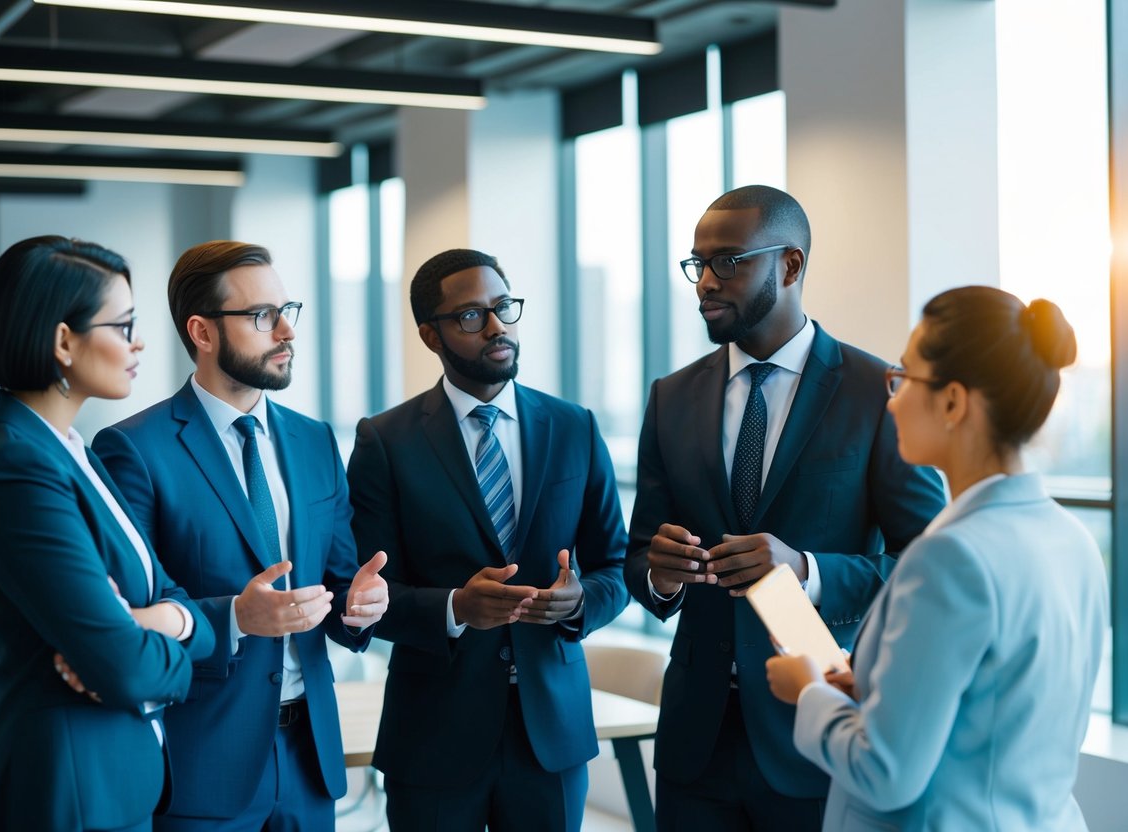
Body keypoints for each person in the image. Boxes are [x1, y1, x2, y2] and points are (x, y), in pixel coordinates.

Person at [625, 185, 948, 830]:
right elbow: (639, 555)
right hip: (697, 738)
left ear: (791, 266)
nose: (705, 284)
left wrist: (806, 569)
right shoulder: (672, 397)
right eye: (697, 264)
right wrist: (659, 576)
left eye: (728, 262)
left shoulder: (876, 391)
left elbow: (928, 567)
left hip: (822, 725)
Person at [766, 286, 1107, 831]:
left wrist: (808, 688)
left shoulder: (951, 557)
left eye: (903, 378)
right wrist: (875, 682)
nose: (891, 399)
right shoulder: (1074, 540)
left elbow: (883, 771)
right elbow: (1006, 703)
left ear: (952, 401)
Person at [92, 241, 388, 832]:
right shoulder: (133, 449)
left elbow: (334, 584)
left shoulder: (315, 441)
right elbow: (126, 614)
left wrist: (358, 610)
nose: (286, 331)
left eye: (288, 310)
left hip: (310, 757)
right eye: (261, 316)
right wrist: (233, 615)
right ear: (201, 331)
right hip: (202, 758)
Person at [345, 248, 630, 831]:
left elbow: (618, 565)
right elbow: (364, 594)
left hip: (550, 732)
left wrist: (580, 603)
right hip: (433, 734)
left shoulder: (574, 426)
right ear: (431, 335)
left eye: (504, 307)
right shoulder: (386, 441)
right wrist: (454, 608)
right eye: (472, 316)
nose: (497, 326)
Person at [0, 235, 215, 832]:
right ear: (64, 341)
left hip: (109, 785)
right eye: (122, 326)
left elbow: (168, 595)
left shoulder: (75, 453)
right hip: (65, 795)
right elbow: (120, 665)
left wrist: (168, 621)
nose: (139, 341)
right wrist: (159, 650)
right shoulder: (15, 466)